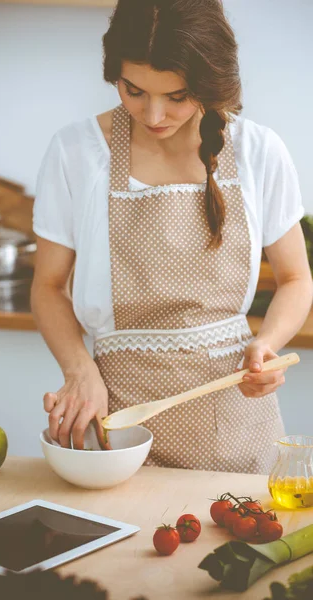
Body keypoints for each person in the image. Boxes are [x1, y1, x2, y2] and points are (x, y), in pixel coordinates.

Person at [31, 0, 313, 474]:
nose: (154, 114)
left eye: (177, 96)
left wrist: (268, 344)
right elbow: (47, 286)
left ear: (211, 82)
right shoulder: (76, 151)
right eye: (133, 90)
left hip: (236, 416)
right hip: (119, 423)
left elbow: (295, 279)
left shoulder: (258, 151)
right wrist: (79, 370)